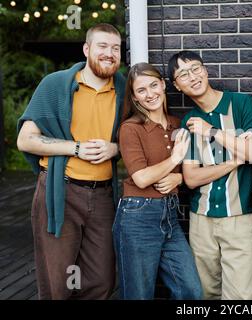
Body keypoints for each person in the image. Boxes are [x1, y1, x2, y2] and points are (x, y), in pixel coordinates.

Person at [16, 23, 125, 299]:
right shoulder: (56, 84)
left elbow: (136, 136)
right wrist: (75, 148)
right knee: (58, 282)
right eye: (102, 46)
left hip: (102, 196)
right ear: (87, 49)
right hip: (60, 191)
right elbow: (26, 139)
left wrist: (115, 148)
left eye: (115, 48)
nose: (109, 53)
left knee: (102, 279)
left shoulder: (125, 89)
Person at [167, 50, 252, 300]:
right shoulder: (188, 121)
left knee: (241, 296)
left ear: (206, 70)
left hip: (240, 219)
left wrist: (212, 131)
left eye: (195, 68)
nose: (192, 76)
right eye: (183, 74)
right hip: (201, 221)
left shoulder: (241, 104)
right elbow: (192, 178)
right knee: (205, 293)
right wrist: (234, 161)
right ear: (177, 86)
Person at [113, 62, 202, 300]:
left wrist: (179, 177)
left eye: (154, 85)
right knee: (138, 295)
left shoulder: (176, 123)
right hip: (137, 218)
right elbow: (141, 178)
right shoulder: (130, 129)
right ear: (134, 97)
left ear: (163, 85)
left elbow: (188, 171)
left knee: (190, 292)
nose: (150, 94)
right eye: (141, 90)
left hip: (170, 216)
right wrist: (175, 158)